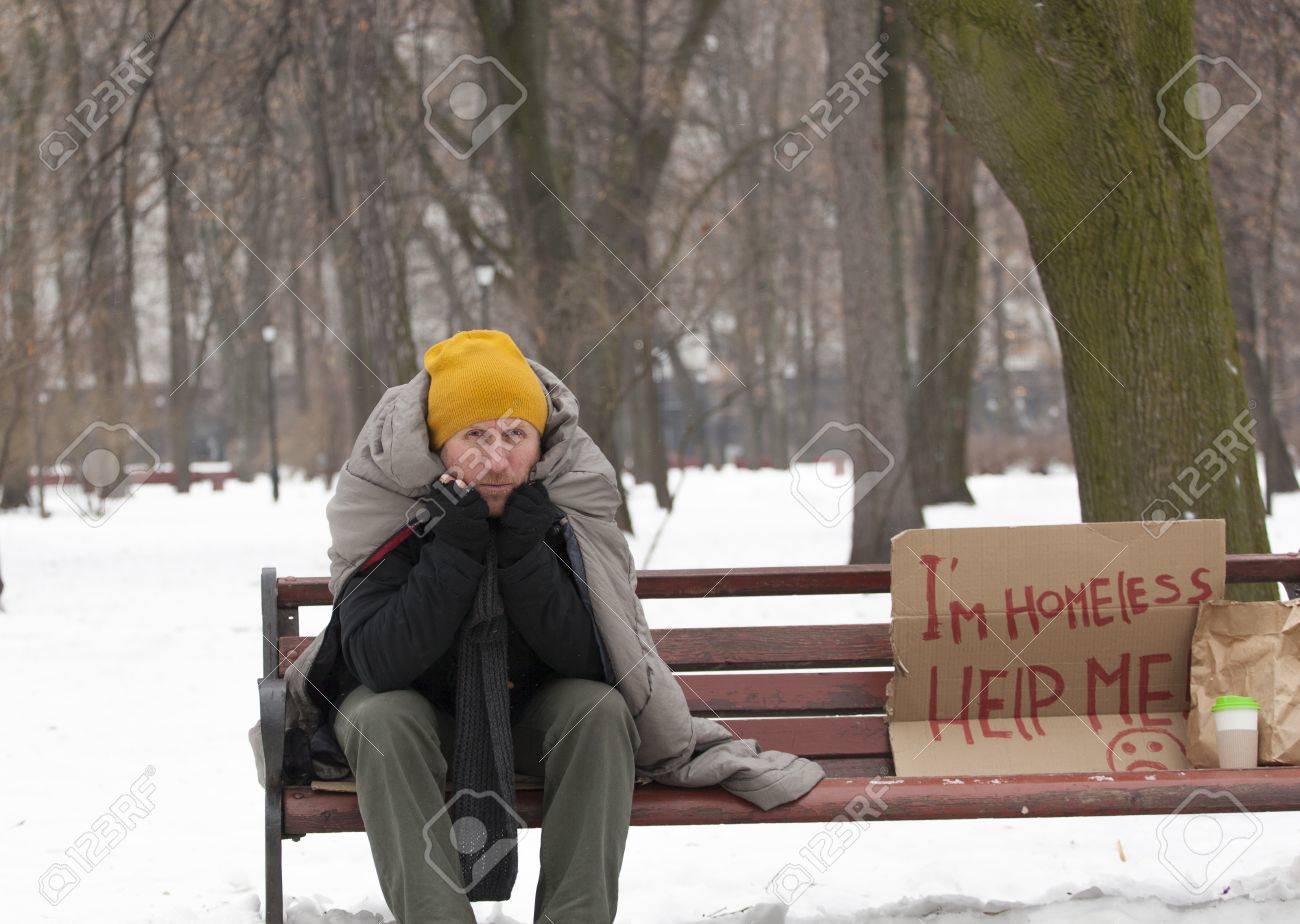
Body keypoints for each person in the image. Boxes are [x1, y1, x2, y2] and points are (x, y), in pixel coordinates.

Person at [329, 330, 636, 923]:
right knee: (381, 718)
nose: (496, 460)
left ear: (539, 443)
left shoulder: (563, 512)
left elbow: (594, 658)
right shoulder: (389, 507)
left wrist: (524, 553)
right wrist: (454, 549)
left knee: (598, 711)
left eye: (515, 435)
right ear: (439, 445)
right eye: (475, 436)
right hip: (419, 722)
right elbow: (378, 663)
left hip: (528, 718)